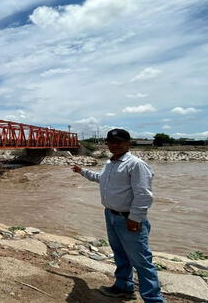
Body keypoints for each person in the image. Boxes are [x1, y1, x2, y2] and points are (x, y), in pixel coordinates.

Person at [71, 128, 164, 302]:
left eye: (119, 142)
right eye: (111, 142)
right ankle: (124, 287)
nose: (114, 145)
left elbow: (143, 194)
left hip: (128, 218)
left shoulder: (136, 164)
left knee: (141, 261)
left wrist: (134, 218)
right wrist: (82, 171)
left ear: (128, 143)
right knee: (120, 255)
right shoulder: (110, 163)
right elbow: (102, 179)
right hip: (111, 215)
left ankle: (153, 299)